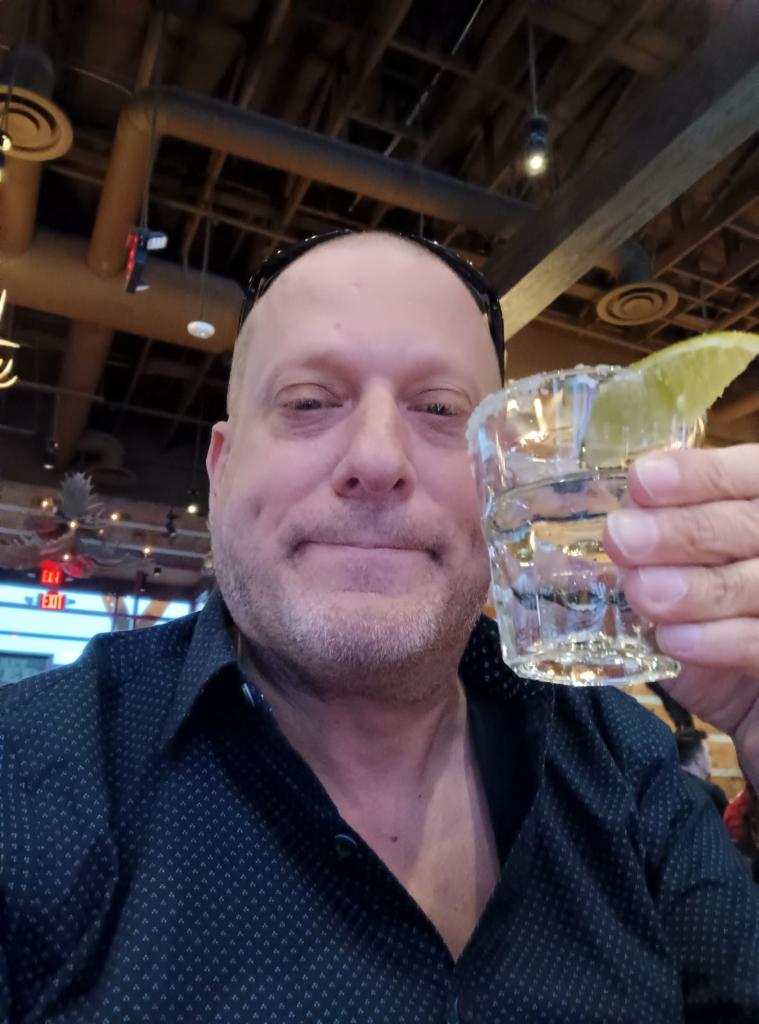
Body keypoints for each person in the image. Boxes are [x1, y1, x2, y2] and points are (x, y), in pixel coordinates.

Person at [1, 230, 758, 1023]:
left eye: (439, 410)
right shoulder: (27, 781)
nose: (375, 458)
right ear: (220, 470)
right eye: (307, 403)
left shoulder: (626, 771)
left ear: (501, 477)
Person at [674, 725, 729, 815]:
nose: (710, 759)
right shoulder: (711, 793)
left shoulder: (663, 788)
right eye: (708, 753)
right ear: (698, 758)